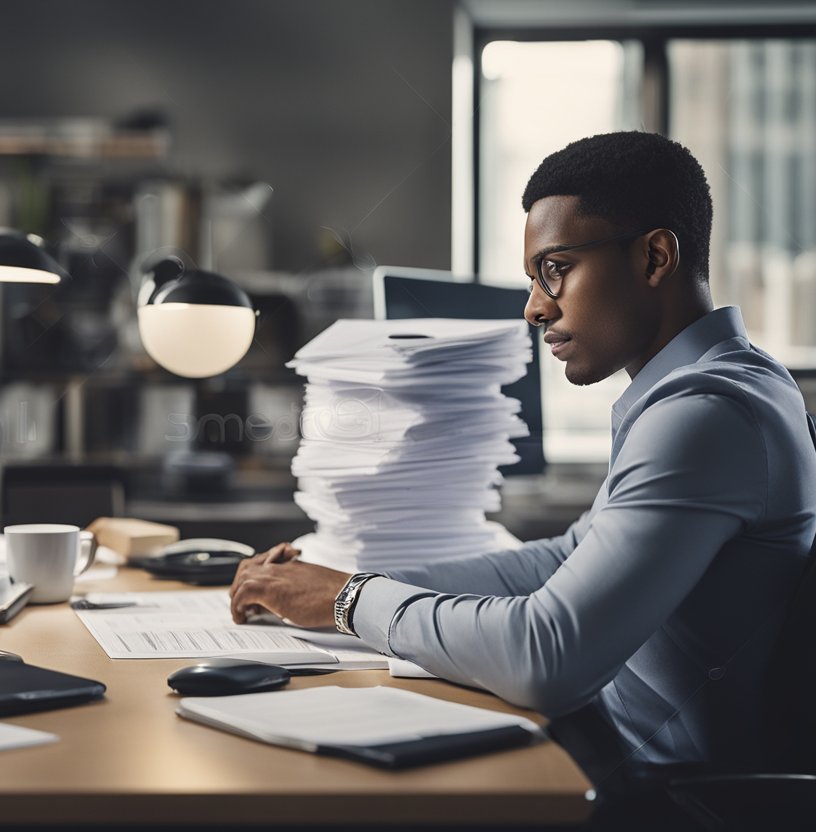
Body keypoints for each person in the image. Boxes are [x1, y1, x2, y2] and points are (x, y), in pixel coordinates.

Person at [228, 132, 816, 791]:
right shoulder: (715, 385)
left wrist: (349, 599)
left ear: (655, 257)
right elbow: (562, 556)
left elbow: (548, 655)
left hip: (648, 793)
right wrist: (345, 579)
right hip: (600, 747)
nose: (535, 307)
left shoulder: (706, 415)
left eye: (555, 268)